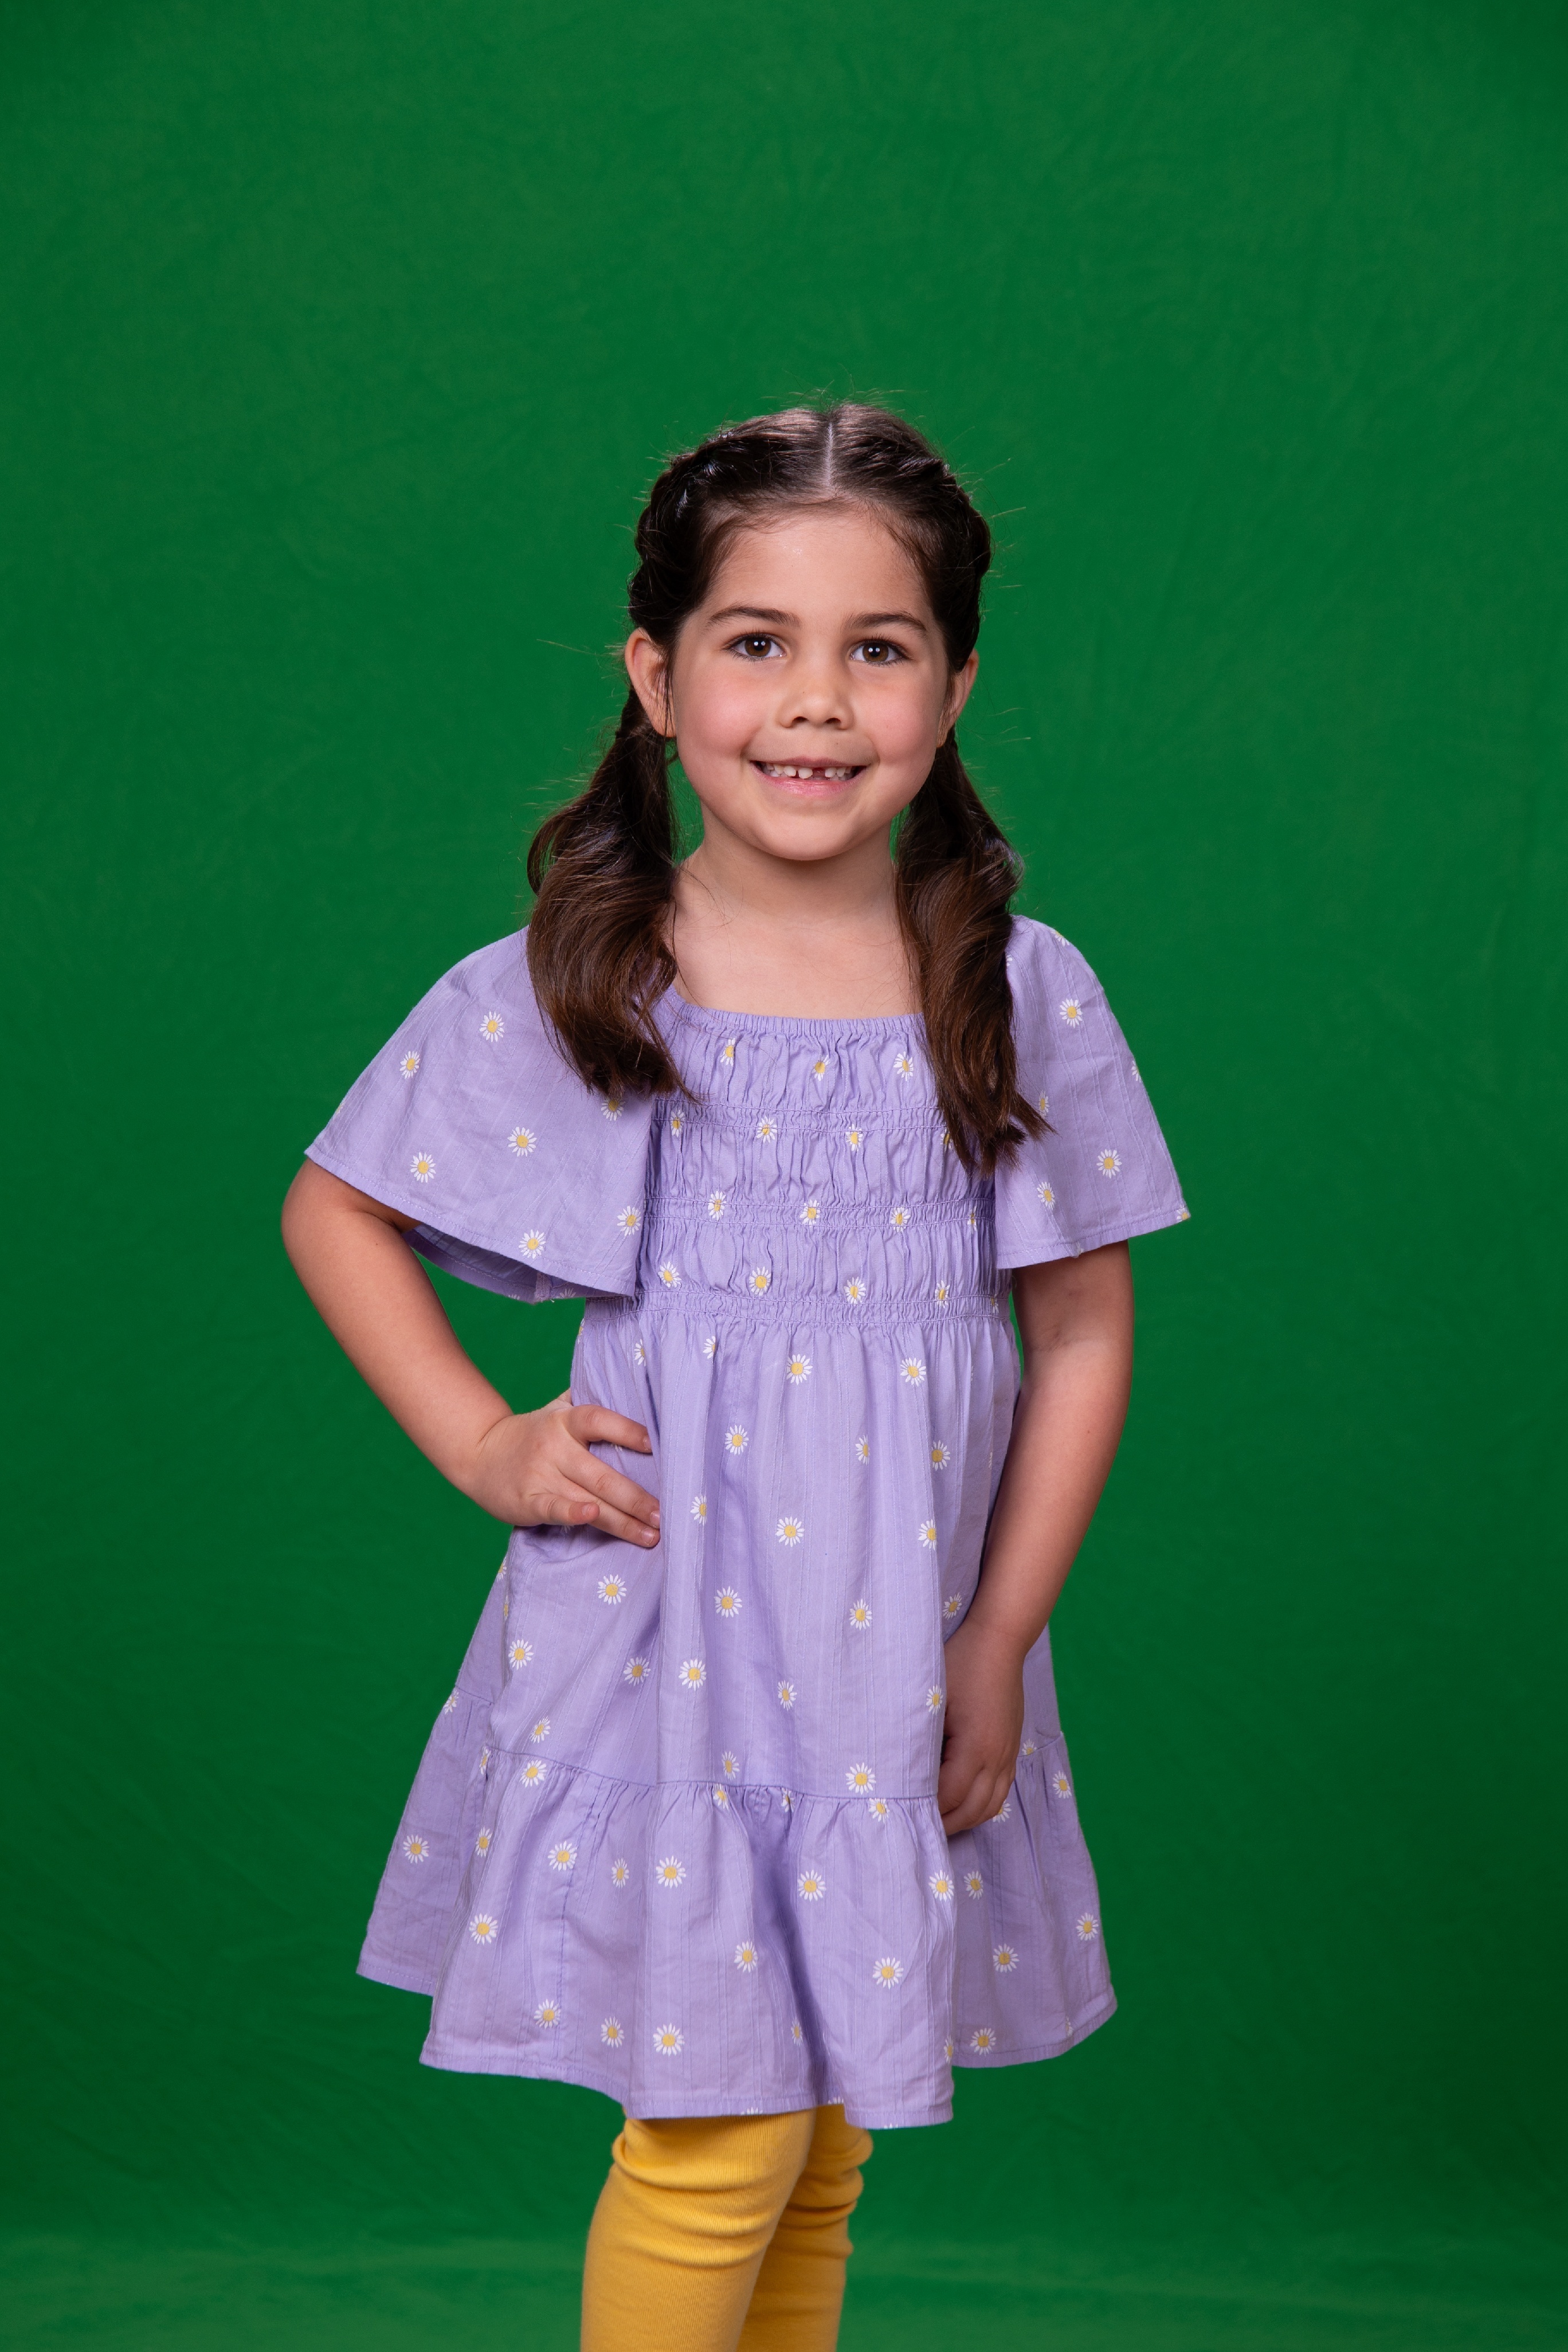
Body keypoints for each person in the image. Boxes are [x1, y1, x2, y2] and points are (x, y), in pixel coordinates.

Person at [283, 403, 1189, 2350]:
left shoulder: (1018, 989)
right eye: (756, 642)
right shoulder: (595, 979)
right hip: (676, 1646)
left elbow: (1083, 1330)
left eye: (879, 647)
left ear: (956, 685)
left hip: (901, 1654)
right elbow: (335, 1208)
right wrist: (485, 1440)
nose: (817, 701)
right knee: (720, 2132)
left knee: (827, 2135)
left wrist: (998, 1638)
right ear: (656, 674)